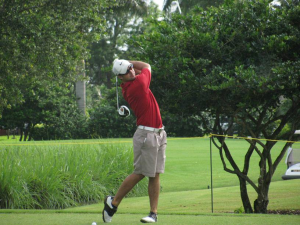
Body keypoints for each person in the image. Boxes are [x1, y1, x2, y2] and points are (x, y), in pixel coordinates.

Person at [102, 59, 167, 223]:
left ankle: (153, 213)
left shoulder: (131, 82)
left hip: (159, 133)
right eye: (127, 71)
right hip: (147, 135)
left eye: (131, 68)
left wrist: (125, 64)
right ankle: (113, 203)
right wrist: (129, 60)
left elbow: (137, 70)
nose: (131, 71)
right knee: (141, 173)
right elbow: (146, 66)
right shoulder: (137, 84)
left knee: (155, 174)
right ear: (121, 77)